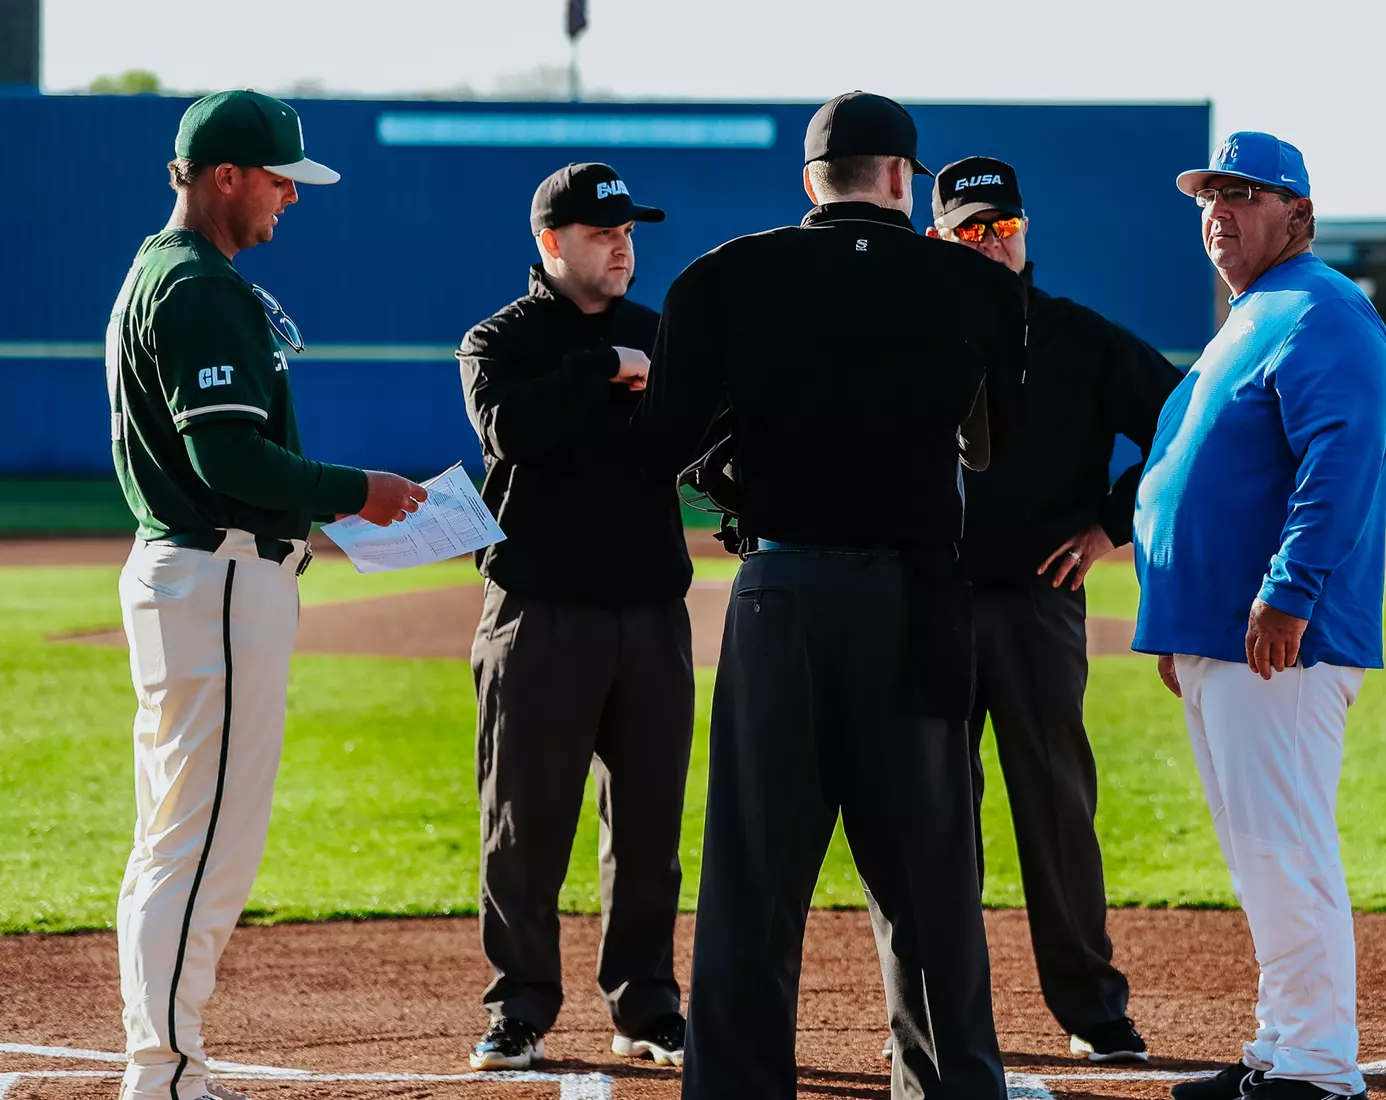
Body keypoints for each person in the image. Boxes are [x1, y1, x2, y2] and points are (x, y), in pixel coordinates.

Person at [633, 91, 1027, 1100]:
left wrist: (739, 458)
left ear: (811, 180)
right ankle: (950, 1087)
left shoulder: (721, 276)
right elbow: (1003, 447)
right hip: (916, 596)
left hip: (780, 590)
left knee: (753, 873)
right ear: (901, 178)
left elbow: (663, 447)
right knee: (930, 879)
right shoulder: (973, 283)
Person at [108, 89, 427, 1100]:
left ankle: (163, 1065)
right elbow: (229, 456)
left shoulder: (162, 270)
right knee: (204, 845)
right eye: (280, 178)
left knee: (176, 838)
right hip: (216, 578)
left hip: (199, 572)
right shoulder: (198, 284)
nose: (292, 196)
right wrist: (356, 492)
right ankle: (166, 1075)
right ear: (226, 176)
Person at [1133, 132, 1386, 1100]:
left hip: (1279, 641)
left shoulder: (1323, 309)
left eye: (1244, 194)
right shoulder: (1257, 314)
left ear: (1300, 214)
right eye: (1210, 194)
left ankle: (1318, 1068)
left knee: (1286, 852)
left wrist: (1289, 591)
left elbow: (1341, 456)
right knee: (1260, 856)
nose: (1220, 211)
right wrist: (1180, 623)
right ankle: (1283, 1048)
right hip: (1221, 636)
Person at [925, 156, 1182, 1063]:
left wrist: (1109, 527)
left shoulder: (1078, 337)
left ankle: (1092, 1008)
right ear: (936, 238)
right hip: (927, 601)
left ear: (1026, 231)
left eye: (1003, 226)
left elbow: (1182, 423)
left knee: (1057, 808)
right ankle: (937, 1013)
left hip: (1038, 602)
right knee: (932, 813)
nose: (990, 241)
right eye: (970, 228)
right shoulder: (904, 333)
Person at [457, 163, 694, 1071]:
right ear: (551, 242)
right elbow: (509, 429)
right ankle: (518, 1008)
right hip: (539, 612)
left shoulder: (661, 333)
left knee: (649, 829)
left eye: (629, 232)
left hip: (651, 613)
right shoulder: (499, 340)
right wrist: (605, 368)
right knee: (523, 826)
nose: (623, 247)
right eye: (602, 233)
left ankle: (646, 1006)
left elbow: (708, 443)